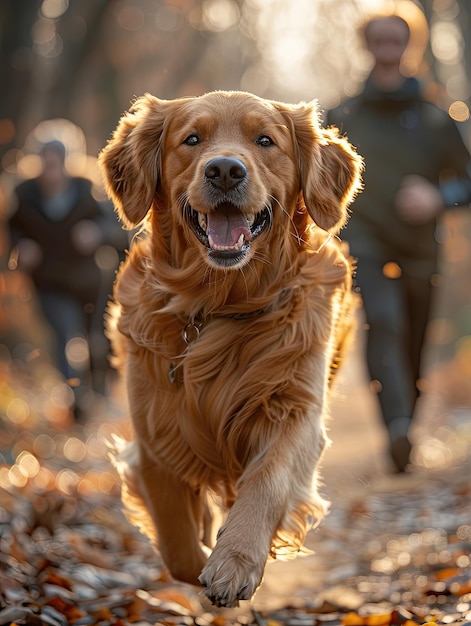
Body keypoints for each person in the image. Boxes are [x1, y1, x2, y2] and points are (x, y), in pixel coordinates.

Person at [326, 13, 471, 472]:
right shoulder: (342, 115)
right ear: (366, 44)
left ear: (411, 43)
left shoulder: (436, 115)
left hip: (421, 249)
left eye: (398, 37)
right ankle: (396, 427)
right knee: (384, 323)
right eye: (379, 37)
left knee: (413, 339)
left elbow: (467, 181)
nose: (388, 44)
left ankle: (405, 420)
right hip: (364, 242)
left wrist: (437, 196)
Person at [8, 140, 105, 417]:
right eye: (44, 164)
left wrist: (95, 232)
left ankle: (96, 390)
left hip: (86, 283)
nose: (49, 172)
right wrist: (20, 246)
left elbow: (114, 227)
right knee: (65, 332)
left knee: (94, 339)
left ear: (65, 164)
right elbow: (12, 229)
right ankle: (76, 398)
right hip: (50, 282)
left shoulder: (86, 192)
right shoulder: (25, 195)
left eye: (54, 164)